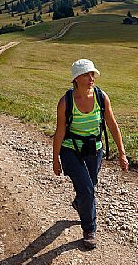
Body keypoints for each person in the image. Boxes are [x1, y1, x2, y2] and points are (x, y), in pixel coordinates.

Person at [53, 59, 129, 250]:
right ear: (76, 78)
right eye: (87, 74)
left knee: (89, 187)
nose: (91, 78)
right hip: (71, 150)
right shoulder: (65, 102)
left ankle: (80, 203)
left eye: (92, 74)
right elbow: (60, 131)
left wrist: (122, 153)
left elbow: (112, 124)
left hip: (94, 150)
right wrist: (55, 159)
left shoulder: (101, 97)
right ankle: (89, 230)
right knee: (87, 190)